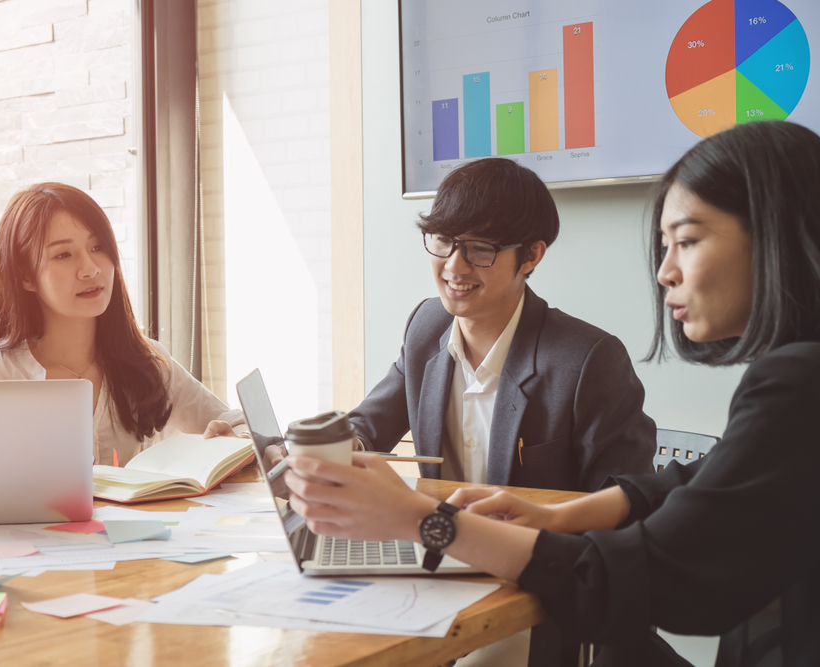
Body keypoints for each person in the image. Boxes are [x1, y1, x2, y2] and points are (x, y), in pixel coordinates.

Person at [283, 120, 820, 666]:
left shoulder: (786, 384)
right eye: (443, 242)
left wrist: (420, 519)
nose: (664, 272)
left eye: (687, 240)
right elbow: (704, 480)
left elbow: (641, 575)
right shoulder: (426, 327)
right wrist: (557, 515)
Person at [344, 158, 656, 497]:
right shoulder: (427, 326)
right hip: (438, 542)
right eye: (443, 240)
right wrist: (344, 445)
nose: (453, 266)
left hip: (539, 548)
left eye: (479, 249)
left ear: (531, 256)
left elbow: (629, 502)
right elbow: (367, 426)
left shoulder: (587, 361)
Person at [0, 183, 244, 466]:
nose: (90, 269)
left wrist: (237, 440)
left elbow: (235, 423)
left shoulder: (147, 361)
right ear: (26, 276)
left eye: (98, 247)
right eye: (63, 254)